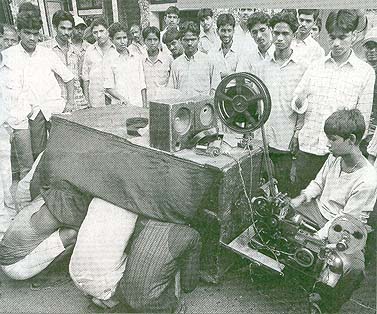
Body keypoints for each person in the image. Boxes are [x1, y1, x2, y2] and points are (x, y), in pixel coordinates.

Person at [290, 109, 377, 313]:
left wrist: (317, 236)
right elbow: (318, 183)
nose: (327, 143)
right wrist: (301, 198)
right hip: (317, 211)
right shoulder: (335, 157)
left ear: (351, 139)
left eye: (333, 139)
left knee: (353, 269)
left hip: (345, 229)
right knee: (279, 215)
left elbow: (345, 219)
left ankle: (325, 305)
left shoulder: (368, 179)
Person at [291, 9, 375, 190]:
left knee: (331, 207)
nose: (336, 43)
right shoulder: (315, 66)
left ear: (354, 35)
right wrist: (299, 102)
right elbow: (298, 99)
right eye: (332, 37)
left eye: (342, 37)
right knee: (302, 201)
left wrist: (348, 151)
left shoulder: (365, 72)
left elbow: (363, 121)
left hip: (339, 156)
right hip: (309, 148)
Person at [2, 5, 75, 179]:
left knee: (57, 157)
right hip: (24, 115)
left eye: (36, 33)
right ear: (19, 32)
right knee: (29, 164)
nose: (32, 38)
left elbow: (69, 77)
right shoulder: (8, 55)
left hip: (51, 110)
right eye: (28, 33)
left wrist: (70, 102)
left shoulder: (46, 53)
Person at [253, 11, 307, 194]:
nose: (280, 38)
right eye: (276, 33)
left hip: (285, 141)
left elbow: (303, 105)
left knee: (284, 188)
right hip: (262, 139)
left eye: (285, 34)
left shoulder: (302, 67)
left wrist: (297, 133)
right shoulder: (261, 67)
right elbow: (255, 103)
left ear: (294, 34)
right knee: (259, 187)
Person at [0, 180, 92, 280]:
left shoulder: (49, 194)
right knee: (73, 234)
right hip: (16, 266)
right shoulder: (59, 208)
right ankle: (48, 276)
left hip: (8, 252)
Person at [116, 218, 201, 313]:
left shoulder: (144, 221)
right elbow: (188, 286)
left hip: (124, 296)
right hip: (155, 306)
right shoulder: (190, 235)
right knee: (174, 260)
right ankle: (176, 309)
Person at [42, 10, 87, 111]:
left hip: (79, 103)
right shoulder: (45, 49)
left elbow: (79, 79)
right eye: (63, 28)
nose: (66, 32)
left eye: (69, 29)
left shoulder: (77, 51)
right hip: (56, 104)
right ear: (55, 27)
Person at [168, 21, 221, 97]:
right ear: (180, 41)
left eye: (193, 39)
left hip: (203, 106)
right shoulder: (176, 64)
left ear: (198, 40)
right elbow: (172, 90)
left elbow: (215, 88)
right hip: (182, 106)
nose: (189, 43)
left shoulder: (209, 61)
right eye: (186, 40)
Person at [103, 22, 146, 107]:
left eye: (125, 38)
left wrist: (144, 105)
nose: (122, 42)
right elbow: (108, 87)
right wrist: (123, 99)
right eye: (118, 38)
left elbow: (142, 84)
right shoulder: (108, 59)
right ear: (111, 40)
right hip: (120, 106)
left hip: (138, 104)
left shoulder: (136, 57)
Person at [82, 18, 116, 108]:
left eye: (101, 31)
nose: (99, 35)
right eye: (95, 32)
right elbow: (85, 77)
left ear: (107, 31)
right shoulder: (89, 50)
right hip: (96, 99)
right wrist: (87, 99)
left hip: (115, 98)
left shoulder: (116, 50)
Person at [142, 26, 173, 104]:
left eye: (155, 39)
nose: (152, 43)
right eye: (149, 40)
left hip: (164, 102)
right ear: (144, 41)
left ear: (159, 41)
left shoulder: (167, 59)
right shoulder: (140, 60)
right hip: (147, 103)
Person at [209, 13, 239, 80]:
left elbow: (241, 75)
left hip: (236, 89)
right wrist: (232, 73)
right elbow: (209, 74)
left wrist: (219, 74)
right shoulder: (212, 52)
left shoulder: (240, 51)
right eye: (223, 31)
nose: (226, 34)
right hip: (217, 89)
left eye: (229, 30)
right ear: (217, 31)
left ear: (234, 31)